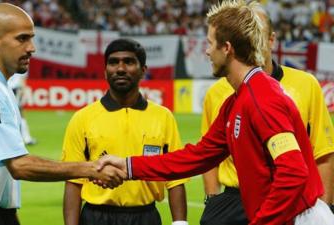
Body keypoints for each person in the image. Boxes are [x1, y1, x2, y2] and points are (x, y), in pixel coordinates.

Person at [97, 1, 334, 224]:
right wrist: (127, 166)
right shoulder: (237, 101)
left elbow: (293, 172)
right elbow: (197, 157)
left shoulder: (262, 98)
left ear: (227, 48)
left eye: (210, 43)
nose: (208, 51)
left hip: (298, 219)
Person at [0, 3, 124, 225]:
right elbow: (19, 166)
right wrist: (91, 168)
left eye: (31, 38)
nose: (31, 47)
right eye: (22, 39)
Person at [200, 4, 334, 225]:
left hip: (288, 201)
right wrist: (212, 199)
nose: (251, 41)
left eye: (257, 34)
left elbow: (323, 153)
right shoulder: (218, 92)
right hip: (233, 201)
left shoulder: (306, 84)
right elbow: (207, 155)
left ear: (271, 40)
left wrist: (324, 207)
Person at [61, 38, 188, 225]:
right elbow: (73, 181)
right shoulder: (83, 118)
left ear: (143, 70)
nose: (120, 68)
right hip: (97, 216)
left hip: (146, 217)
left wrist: (180, 222)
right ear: (105, 71)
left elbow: (176, 176)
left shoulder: (163, 117)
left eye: (128, 62)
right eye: (113, 62)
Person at [8, 73, 36, 145]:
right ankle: (26, 138)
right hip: (15, 89)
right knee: (19, 113)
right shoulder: (23, 63)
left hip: (8, 87)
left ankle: (23, 138)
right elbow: (22, 79)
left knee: (13, 113)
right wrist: (23, 90)